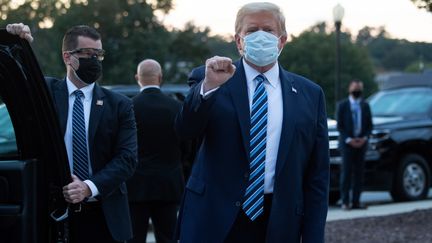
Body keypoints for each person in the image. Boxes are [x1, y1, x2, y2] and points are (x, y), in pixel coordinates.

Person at [175, 2, 329, 243]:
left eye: (268, 30)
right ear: (238, 41)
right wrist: (209, 88)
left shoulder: (310, 94)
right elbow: (185, 130)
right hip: (214, 219)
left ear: (282, 40)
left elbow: (317, 175)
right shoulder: (211, 79)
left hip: (279, 220)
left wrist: (312, 237)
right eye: (252, 30)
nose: (260, 36)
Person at [7, 23, 137, 242]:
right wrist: (20, 45)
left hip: (103, 215)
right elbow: (15, 80)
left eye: (99, 55)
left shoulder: (119, 105)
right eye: (88, 54)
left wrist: (88, 187)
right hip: (52, 213)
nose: (95, 61)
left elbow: (127, 158)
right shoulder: (46, 92)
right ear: (68, 57)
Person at [127, 59, 184, 243]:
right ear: (160, 77)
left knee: (134, 237)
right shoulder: (176, 107)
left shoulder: (128, 107)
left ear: (138, 78)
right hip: (168, 184)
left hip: (135, 185)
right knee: (168, 237)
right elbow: (187, 146)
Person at [336, 79, 373, 210]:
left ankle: (356, 201)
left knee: (359, 173)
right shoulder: (342, 105)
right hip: (347, 145)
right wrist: (349, 140)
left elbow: (369, 125)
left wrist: (364, 138)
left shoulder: (365, 105)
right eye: (354, 88)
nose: (357, 90)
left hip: (361, 144)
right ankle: (345, 202)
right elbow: (339, 126)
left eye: (359, 88)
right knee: (346, 173)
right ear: (349, 89)